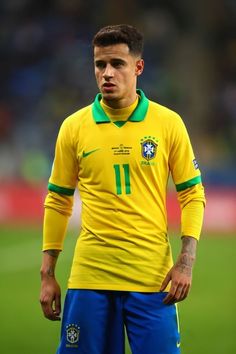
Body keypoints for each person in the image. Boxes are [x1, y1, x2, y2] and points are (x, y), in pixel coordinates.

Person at [40, 24, 205, 354]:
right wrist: (47, 274)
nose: (107, 73)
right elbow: (58, 200)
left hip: (152, 279)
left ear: (138, 67)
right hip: (90, 278)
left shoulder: (167, 123)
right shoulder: (74, 127)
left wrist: (186, 262)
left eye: (117, 63)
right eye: (100, 65)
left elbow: (191, 194)